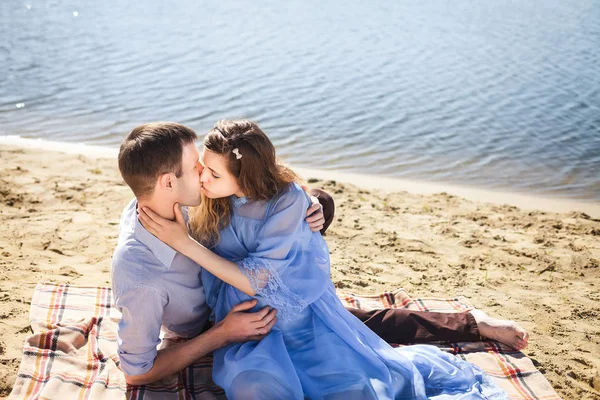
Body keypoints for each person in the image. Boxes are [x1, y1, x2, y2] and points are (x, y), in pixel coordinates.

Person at [138, 120, 509, 399]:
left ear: (245, 175)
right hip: (244, 314)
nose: (202, 176)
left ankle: (475, 324)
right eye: (202, 167)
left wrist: (314, 201)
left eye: (212, 172)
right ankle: (472, 325)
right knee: (263, 381)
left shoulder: (281, 200)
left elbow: (283, 205)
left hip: (294, 300)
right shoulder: (209, 191)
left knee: (362, 357)